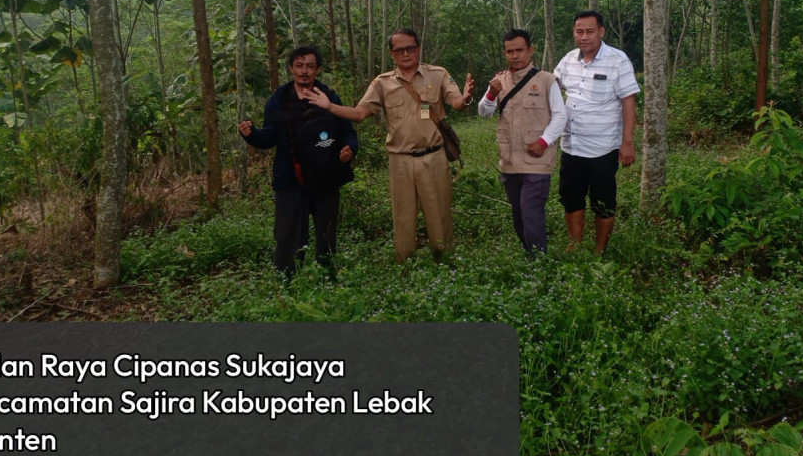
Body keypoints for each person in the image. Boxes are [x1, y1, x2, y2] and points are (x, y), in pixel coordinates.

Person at [305, 28, 474, 262]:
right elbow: (360, 113)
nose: (405, 53)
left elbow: (456, 103)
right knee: (403, 219)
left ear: (418, 49)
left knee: (440, 216)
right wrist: (329, 107)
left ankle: (444, 264)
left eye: (410, 48)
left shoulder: (438, 75)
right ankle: (404, 267)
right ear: (392, 54)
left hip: (433, 158)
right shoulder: (382, 83)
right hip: (400, 161)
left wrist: (466, 98)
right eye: (399, 50)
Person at [238, 46, 357, 278]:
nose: (304, 71)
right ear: (291, 68)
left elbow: (347, 131)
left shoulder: (328, 96)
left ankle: (327, 278)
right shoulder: (279, 99)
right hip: (290, 177)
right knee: (287, 235)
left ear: (318, 69)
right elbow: (269, 137)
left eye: (310, 66)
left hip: (326, 176)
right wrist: (251, 134)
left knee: (327, 233)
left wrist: (349, 149)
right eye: (299, 66)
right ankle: (287, 282)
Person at [552, 10, 639, 255]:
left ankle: (599, 251)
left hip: (603, 147)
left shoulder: (617, 59)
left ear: (601, 32)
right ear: (574, 33)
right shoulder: (568, 59)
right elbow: (551, 88)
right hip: (571, 145)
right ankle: (575, 246)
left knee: (603, 203)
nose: (584, 36)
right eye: (579, 31)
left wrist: (627, 143)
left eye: (590, 31)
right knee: (572, 199)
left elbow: (628, 100)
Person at [478, 29, 567, 254]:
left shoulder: (547, 80)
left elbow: (560, 115)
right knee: (518, 214)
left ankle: (540, 263)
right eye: (510, 51)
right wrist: (491, 93)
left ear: (530, 50)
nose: (515, 55)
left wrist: (544, 141)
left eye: (519, 50)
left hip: (537, 160)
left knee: (531, 212)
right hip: (509, 160)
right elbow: (483, 113)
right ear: (504, 53)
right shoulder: (499, 80)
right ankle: (530, 255)